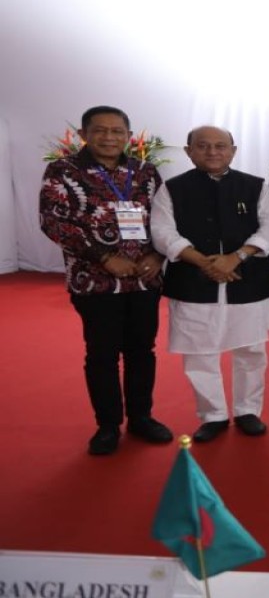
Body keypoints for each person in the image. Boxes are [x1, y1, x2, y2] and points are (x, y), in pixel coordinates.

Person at [39, 106, 173, 455]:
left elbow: (166, 220)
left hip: (144, 279)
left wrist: (158, 256)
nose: (109, 137)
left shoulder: (145, 171)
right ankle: (108, 425)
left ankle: (142, 417)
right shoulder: (64, 171)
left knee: (142, 351)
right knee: (102, 354)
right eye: (100, 130)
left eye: (117, 131)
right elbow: (54, 222)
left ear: (129, 136)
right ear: (85, 134)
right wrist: (104, 258)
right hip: (94, 281)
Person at [151, 126, 269, 442]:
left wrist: (236, 257)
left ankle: (248, 411)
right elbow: (163, 232)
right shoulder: (171, 189)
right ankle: (214, 415)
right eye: (203, 146)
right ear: (188, 151)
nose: (212, 152)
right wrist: (204, 262)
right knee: (200, 353)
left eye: (220, 146)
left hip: (247, 279)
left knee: (250, 350)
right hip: (194, 281)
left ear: (233, 151)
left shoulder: (255, 187)